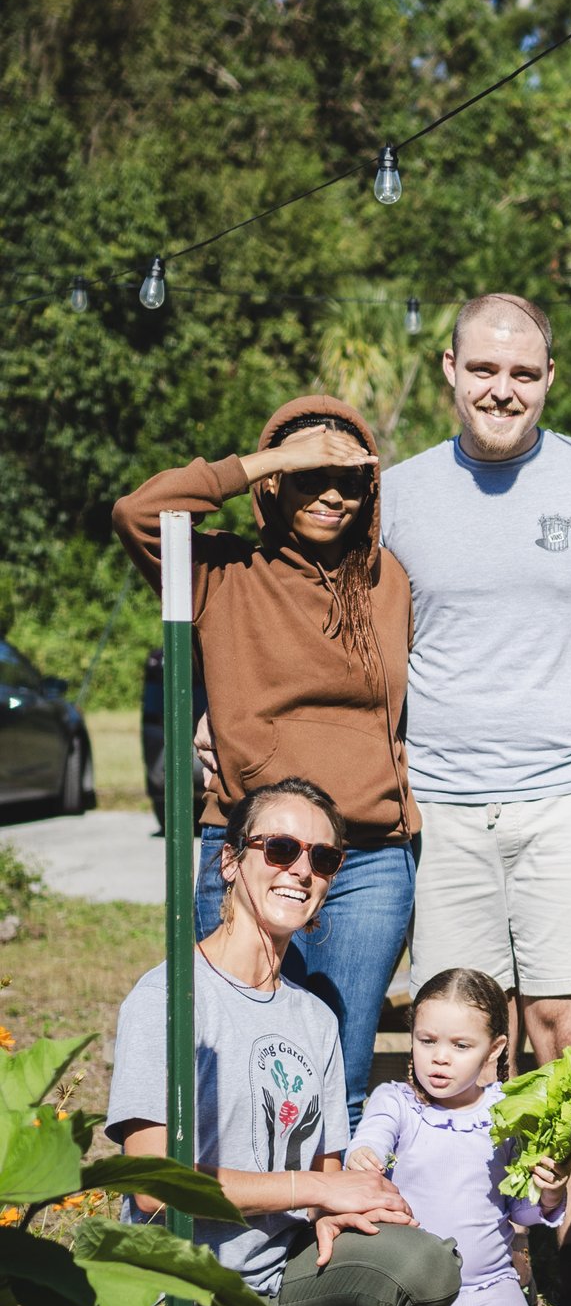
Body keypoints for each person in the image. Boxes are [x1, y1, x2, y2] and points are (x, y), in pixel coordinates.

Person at [381, 292, 571, 1306]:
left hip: (567, 795)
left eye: (526, 372)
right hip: (445, 806)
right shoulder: (398, 494)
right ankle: (489, 1249)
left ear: (550, 377)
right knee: (466, 1035)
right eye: (485, 369)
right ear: (450, 369)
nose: (503, 388)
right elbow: (367, 651)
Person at [105, 778, 460, 1306]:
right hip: (187, 1295)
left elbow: (325, 1172)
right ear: (231, 860)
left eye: (323, 858)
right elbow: (152, 1184)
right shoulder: (170, 997)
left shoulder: (314, 1018)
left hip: (279, 1274)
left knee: (426, 1266)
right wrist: (313, 1192)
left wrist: (338, 1206)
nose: (302, 870)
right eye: (280, 850)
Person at [112, 397, 416, 1126]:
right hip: (252, 846)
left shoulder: (386, 579)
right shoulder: (218, 567)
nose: (332, 495)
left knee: (336, 1069)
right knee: (222, 1050)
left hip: (365, 859)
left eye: (348, 481)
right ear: (272, 486)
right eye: (311, 477)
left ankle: (319, 1232)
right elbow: (136, 512)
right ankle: (215, 1225)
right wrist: (278, 454)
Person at [347, 968, 566, 1306]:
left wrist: (550, 1193)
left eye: (461, 1046)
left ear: (495, 1048)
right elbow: (372, 1136)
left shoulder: (507, 1111)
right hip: (417, 1289)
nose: (440, 1057)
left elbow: (518, 1209)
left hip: (489, 1283)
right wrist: (363, 1155)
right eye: (427, 1041)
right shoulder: (398, 1101)